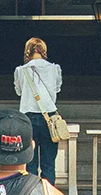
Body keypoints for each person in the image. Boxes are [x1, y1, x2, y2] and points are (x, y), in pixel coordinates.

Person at [14, 38, 65, 185]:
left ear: (27, 51)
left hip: (27, 118)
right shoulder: (55, 69)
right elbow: (57, 89)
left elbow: (18, 91)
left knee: (29, 162)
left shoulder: (21, 70)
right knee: (49, 163)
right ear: (44, 51)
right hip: (49, 117)